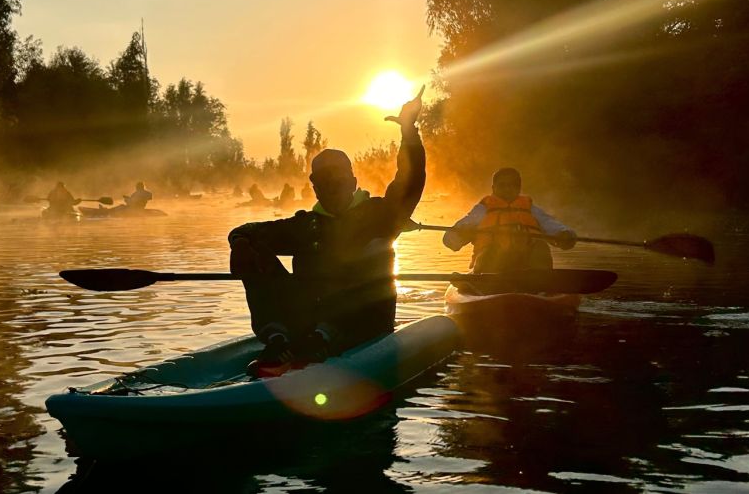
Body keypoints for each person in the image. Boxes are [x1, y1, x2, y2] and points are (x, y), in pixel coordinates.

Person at [229, 87, 426, 377]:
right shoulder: (304, 225)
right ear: (314, 185)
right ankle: (279, 339)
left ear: (352, 180)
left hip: (363, 324)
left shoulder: (381, 214)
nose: (331, 185)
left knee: (373, 251)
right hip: (305, 326)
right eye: (323, 179)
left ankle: (324, 337)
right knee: (251, 246)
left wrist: (409, 132)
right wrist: (240, 242)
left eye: (338, 178)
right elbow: (245, 230)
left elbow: (410, 180)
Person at [442, 168, 576, 276]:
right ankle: (490, 287)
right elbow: (449, 240)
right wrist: (462, 234)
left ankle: (540, 285)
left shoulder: (530, 209)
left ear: (519, 189)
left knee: (540, 246)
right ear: (493, 188)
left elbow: (551, 225)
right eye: (502, 185)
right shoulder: (482, 210)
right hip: (490, 270)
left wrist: (564, 234)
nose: (507, 189)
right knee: (493, 250)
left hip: (527, 266)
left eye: (512, 185)